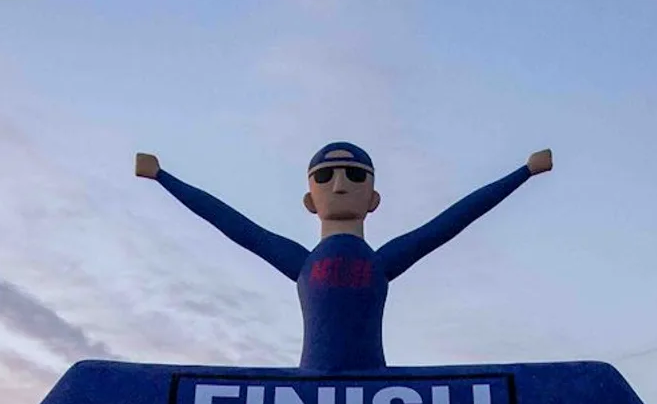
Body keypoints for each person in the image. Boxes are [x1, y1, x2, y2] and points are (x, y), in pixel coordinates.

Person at [137, 142, 552, 371]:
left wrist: (522, 173)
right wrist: (163, 177)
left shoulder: (378, 262)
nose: (338, 185)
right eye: (324, 176)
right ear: (308, 198)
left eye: (354, 175)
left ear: (373, 198)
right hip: (314, 388)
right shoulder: (302, 261)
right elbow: (232, 222)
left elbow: (451, 221)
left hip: (375, 390)